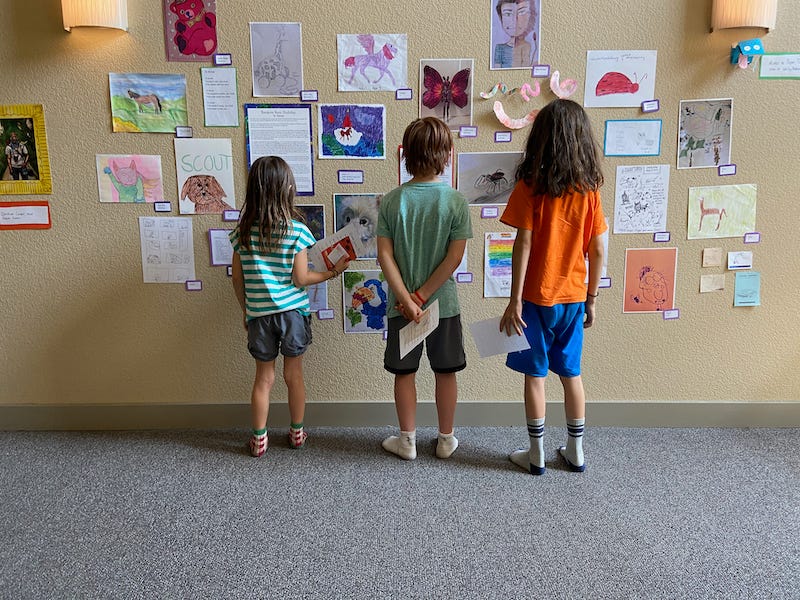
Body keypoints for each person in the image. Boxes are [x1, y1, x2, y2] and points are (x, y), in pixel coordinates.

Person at [499, 98, 606, 475]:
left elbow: (523, 244)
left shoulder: (530, 187)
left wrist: (513, 301)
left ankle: (536, 453)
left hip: (536, 298)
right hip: (574, 297)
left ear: (541, 139)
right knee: (571, 375)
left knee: (536, 375)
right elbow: (597, 247)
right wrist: (592, 297)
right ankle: (575, 451)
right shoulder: (589, 191)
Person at [230, 156, 350, 457]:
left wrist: (247, 309)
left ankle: (259, 439)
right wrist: (333, 272)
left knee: (264, 379)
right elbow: (301, 278)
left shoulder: (243, 232)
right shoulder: (297, 230)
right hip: (293, 316)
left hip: (259, 315)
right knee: (293, 377)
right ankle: (297, 433)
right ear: (287, 189)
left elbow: (237, 278)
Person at [377, 117, 473, 460]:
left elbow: (384, 257)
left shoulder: (391, 201)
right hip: (442, 306)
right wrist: (422, 296)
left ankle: (407, 442)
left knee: (405, 373)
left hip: (402, 308)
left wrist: (407, 298)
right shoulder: (455, 201)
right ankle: (446, 440)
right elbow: (454, 257)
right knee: (445, 372)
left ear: (406, 154)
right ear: (446, 154)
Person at [493, 0, 538, 69]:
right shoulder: (499, 48)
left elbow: (524, 68)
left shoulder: (527, 46)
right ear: (500, 17)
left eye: (521, 12)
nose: (515, 20)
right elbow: (496, 68)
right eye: (508, 14)